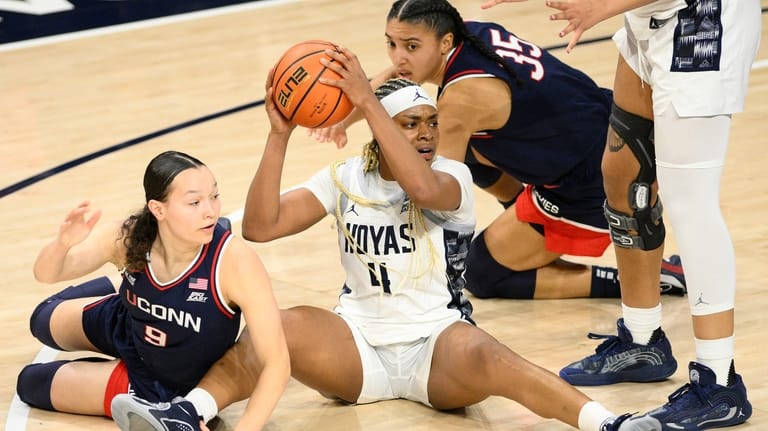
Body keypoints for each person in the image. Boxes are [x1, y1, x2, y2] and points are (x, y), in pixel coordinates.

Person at [109, 47, 663, 431]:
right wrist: (279, 136)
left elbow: (421, 189)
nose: (426, 133)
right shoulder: (345, 179)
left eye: (431, 122)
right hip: (356, 344)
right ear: (381, 133)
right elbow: (261, 226)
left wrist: (368, 101)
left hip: (437, 342)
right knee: (281, 325)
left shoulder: (452, 177)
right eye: (411, 123)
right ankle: (187, 414)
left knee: (496, 358)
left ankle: (609, 423)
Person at [482, 0, 760, 429]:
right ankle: (643, 341)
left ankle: (719, 383)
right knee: (624, 175)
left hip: (701, 22)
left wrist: (603, 7)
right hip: (650, 15)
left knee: (691, 203)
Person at [309, 0, 687, 301]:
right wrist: (346, 120)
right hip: (612, 128)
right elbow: (401, 73)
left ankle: (642, 279)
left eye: (410, 46)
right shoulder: (472, 33)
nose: (397, 57)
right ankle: (520, 218)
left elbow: (435, 193)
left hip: (592, 184)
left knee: (482, 272)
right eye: (391, 44)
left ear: (444, 43)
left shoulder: (459, 104)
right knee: (469, 148)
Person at [15, 151, 290, 431]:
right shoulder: (129, 236)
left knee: (30, 383)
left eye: (214, 196)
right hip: (127, 324)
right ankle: (128, 286)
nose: (210, 210)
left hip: (158, 381)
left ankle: (125, 355)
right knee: (41, 318)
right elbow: (46, 274)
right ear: (158, 209)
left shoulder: (235, 262)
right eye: (194, 202)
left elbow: (277, 363)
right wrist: (62, 244)